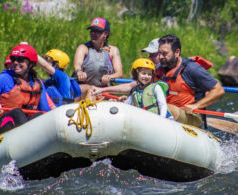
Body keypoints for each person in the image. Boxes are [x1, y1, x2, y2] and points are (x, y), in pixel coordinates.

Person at [93, 35, 225, 127]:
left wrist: (197, 106)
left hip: (190, 117)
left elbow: (218, 90)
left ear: (177, 52)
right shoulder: (159, 69)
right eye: (159, 53)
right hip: (163, 114)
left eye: (165, 54)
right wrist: (103, 90)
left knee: (168, 109)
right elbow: (133, 85)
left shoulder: (192, 69)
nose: (160, 57)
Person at [0, 44, 56, 141]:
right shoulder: (2, 79)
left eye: (20, 60)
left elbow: (46, 112)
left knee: (39, 116)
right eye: (13, 59)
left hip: (25, 129)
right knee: (17, 113)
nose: (15, 62)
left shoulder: (38, 84)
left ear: (31, 64)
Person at [73, 17, 123, 99]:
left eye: (97, 31)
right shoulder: (83, 48)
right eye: (92, 31)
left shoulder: (113, 50)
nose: (93, 33)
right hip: (83, 88)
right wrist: (79, 72)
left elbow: (119, 73)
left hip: (102, 89)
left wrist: (109, 77)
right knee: (91, 90)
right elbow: (77, 64)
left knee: (113, 100)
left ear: (105, 34)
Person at [91, 38, 160, 95]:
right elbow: (130, 86)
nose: (150, 58)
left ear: (162, 54)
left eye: (154, 55)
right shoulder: (149, 71)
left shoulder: (163, 71)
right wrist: (101, 90)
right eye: (150, 55)